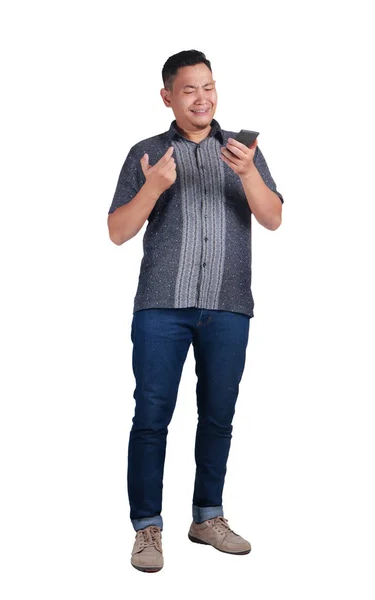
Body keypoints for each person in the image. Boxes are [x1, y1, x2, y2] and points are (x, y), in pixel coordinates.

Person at [107, 49, 284, 573]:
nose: (201, 98)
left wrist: (250, 174)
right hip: (161, 307)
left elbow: (273, 218)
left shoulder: (243, 150)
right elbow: (117, 231)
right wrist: (155, 186)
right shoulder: (147, 154)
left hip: (229, 306)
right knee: (152, 417)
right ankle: (147, 528)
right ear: (168, 97)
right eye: (189, 89)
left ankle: (207, 517)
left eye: (208, 87)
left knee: (219, 416)